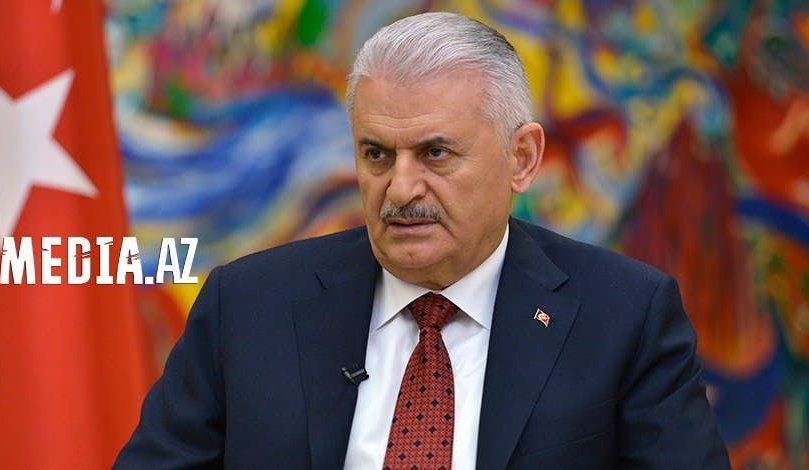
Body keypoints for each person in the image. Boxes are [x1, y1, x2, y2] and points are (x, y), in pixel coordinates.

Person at [116, 12, 729, 469]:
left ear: (522, 157)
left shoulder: (624, 316)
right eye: (376, 154)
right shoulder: (249, 306)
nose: (401, 188)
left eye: (435, 153)